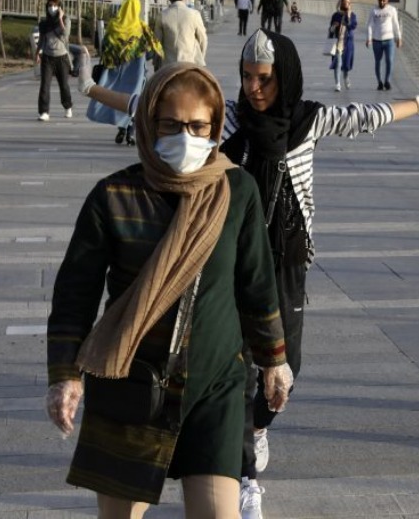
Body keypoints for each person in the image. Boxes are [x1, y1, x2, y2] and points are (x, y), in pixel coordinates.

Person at [77, 28, 419, 519]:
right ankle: (244, 473)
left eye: (264, 78)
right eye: (247, 76)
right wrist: (91, 88)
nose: (254, 87)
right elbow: (149, 105)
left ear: (283, 76)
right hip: (227, 258)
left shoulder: (308, 120)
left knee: (288, 363)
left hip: (285, 261)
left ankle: (258, 429)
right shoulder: (226, 119)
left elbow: (365, 116)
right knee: (241, 370)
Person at [46, 62, 294, 519]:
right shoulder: (114, 196)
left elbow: (256, 282)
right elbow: (74, 295)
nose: (186, 136)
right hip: (133, 382)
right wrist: (65, 375)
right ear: (148, 124)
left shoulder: (236, 190)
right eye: (171, 125)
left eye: (198, 126)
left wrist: (274, 360)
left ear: (215, 127)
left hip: (214, 382)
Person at [87, 0, 163, 146]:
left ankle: (122, 128)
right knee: (135, 102)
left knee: (118, 100)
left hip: (115, 74)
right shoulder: (141, 28)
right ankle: (130, 131)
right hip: (136, 74)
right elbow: (152, 51)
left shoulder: (113, 27)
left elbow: (104, 48)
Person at [36, 0, 73, 122]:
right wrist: (37, 53)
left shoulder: (66, 20)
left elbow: (65, 34)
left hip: (62, 58)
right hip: (47, 58)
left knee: (64, 85)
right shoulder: (44, 23)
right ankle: (44, 112)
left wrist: (60, 18)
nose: (52, 8)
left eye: (55, 5)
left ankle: (68, 106)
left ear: (60, 7)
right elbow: (42, 39)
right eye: (50, 6)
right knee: (44, 85)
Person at [155, 0, 208, 68]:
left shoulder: (162, 15)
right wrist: (201, 57)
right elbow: (203, 39)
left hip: (168, 64)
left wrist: (156, 63)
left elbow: (157, 43)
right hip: (190, 62)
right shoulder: (194, 14)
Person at [366, 0, 402, 91]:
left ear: (387, 0)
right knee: (378, 61)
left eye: (384, 1)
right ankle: (379, 82)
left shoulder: (392, 10)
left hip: (389, 40)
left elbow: (396, 24)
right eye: (380, 0)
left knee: (389, 60)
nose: (381, 2)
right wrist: (369, 38)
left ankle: (387, 81)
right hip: (377, 40)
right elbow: (369, 25)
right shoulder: (374, 10)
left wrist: (399, 38)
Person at [329, 0, 358, 92]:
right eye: (345, 3)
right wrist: (334, 26)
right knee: (338, 63)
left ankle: (346, 77)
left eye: (348, 3)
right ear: (341, 3)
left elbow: (352, 26)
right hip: (337, 43)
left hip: (348, 42)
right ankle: (337, 84)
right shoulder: (335, 15)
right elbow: (331, 30)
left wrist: (348, 17)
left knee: (346, 64)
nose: (346, 4)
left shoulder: (352, 15)